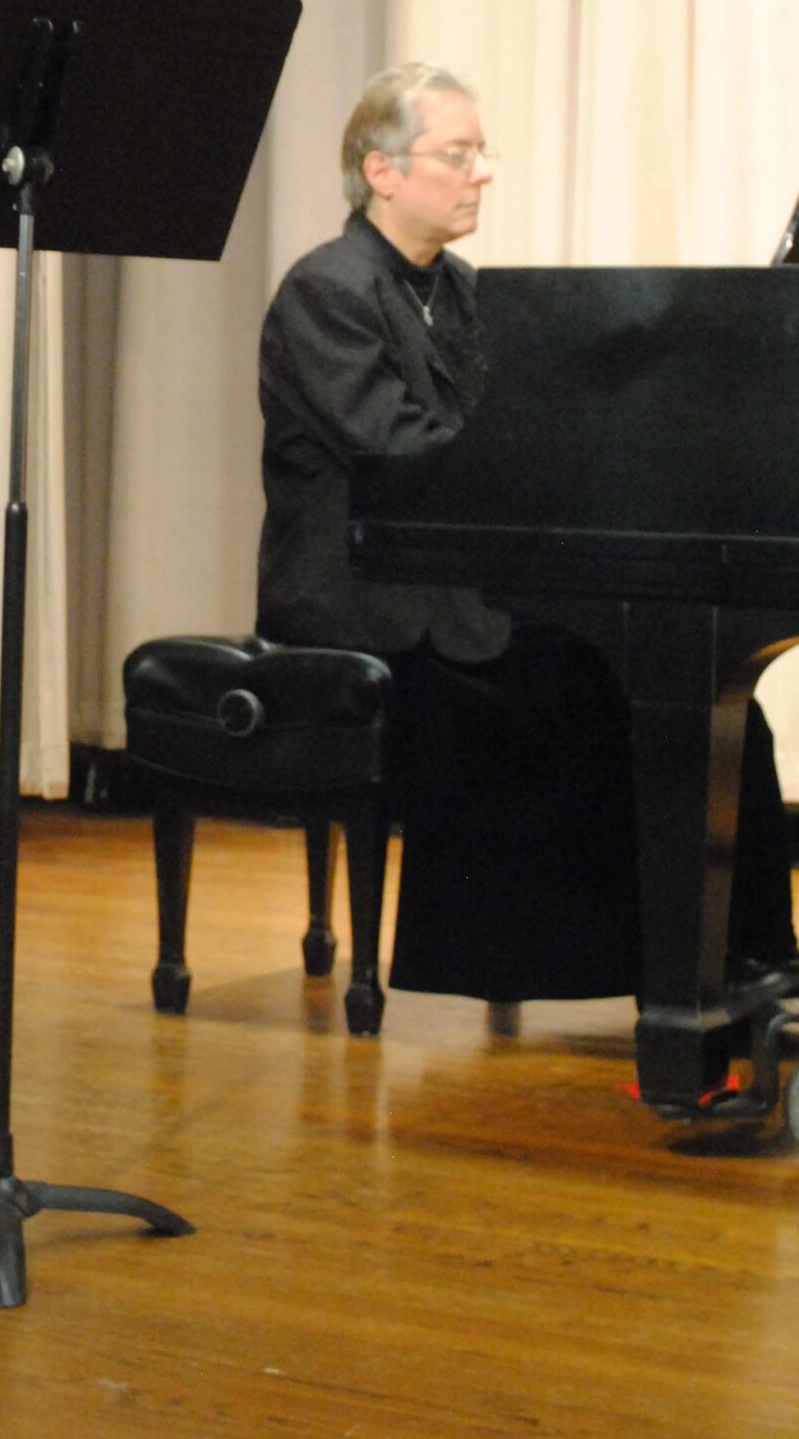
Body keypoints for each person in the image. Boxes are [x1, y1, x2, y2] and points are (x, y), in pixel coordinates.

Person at [256, 62, 795, 1006]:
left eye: (481, 153)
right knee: (602, 705)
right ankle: (622, 962)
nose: (480, 173)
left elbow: (507, 431)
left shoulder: (459, 288)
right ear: (380, 171)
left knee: (710, 707)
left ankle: (743, 957)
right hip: (364, 598)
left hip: (460, 582)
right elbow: (400, 451)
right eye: (456, 154)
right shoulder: (327, 291)